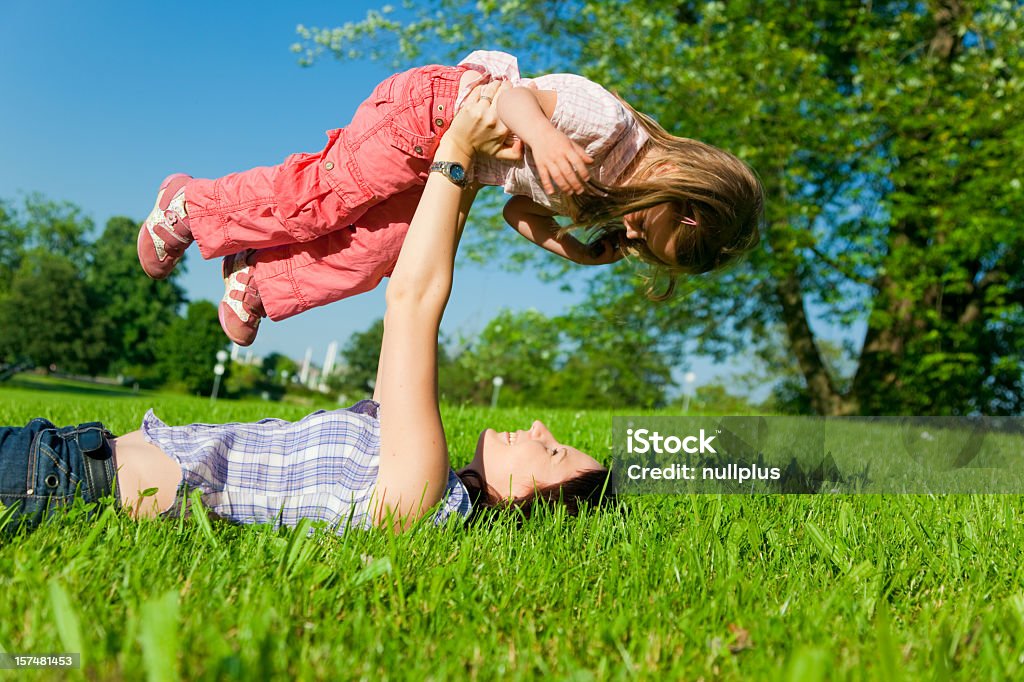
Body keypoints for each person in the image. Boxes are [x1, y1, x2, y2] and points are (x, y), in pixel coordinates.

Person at [1, 83, 614, 535]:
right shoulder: (414, 464)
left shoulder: (420, 492)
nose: (541, 430)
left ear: (528, 502)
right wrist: (469, 175)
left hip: (62, 484)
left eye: (553, 452)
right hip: (62, 455)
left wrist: (455, 152)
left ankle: (198, 214)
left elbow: (413, 303)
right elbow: (410, 274)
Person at [137, 50, 765, 346]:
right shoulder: (607, 126)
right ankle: (189, 206)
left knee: (379, 255)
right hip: (427, 114)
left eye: (636, 248)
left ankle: (259, 281)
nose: (627, 238)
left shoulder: (597, 195)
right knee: (323, 199)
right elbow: (512, 97)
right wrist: (543, 137)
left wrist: (567, 245)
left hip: (454, 168)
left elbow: (518, 209)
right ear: (682, 200)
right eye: (642, 236)